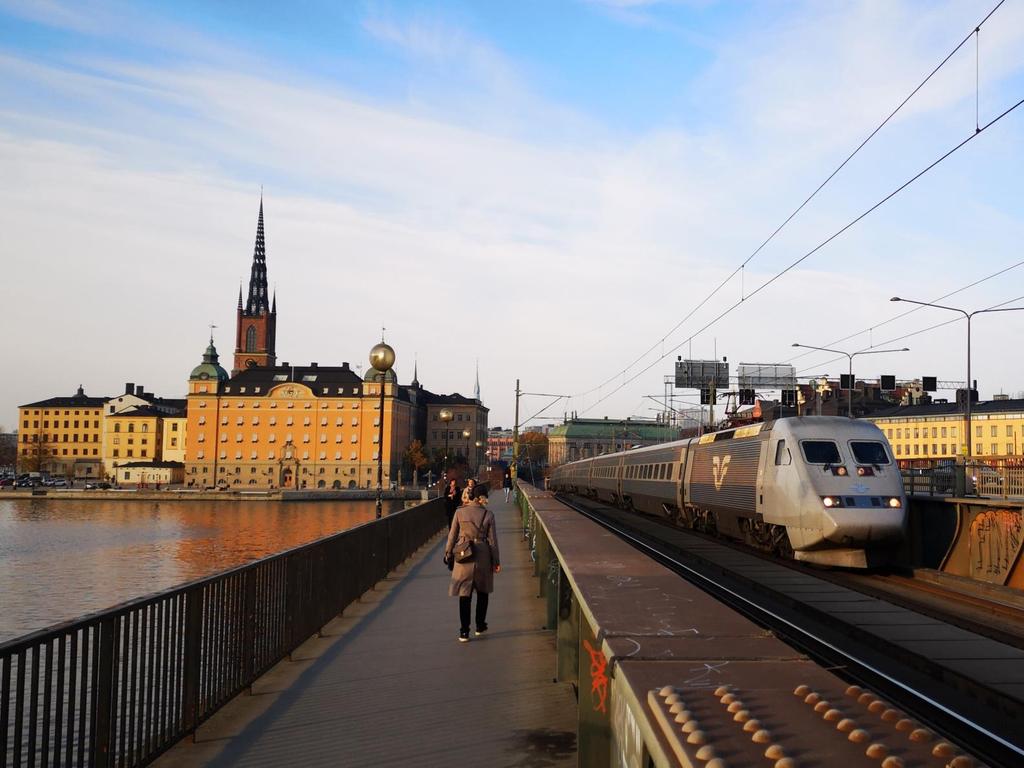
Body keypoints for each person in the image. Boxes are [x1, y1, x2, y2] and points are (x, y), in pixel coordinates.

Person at [444, 486, 500, 642]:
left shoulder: (459, 512)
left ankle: (464, 631)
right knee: (483, 591)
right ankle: (480, 626)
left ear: (470, 496)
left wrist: (448, 553)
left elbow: (452, 535)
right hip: (482, 554)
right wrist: (496, 561)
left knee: (464, 593)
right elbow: (493, 541)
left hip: (464, 554)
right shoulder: (488, 514)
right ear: (483, 498)